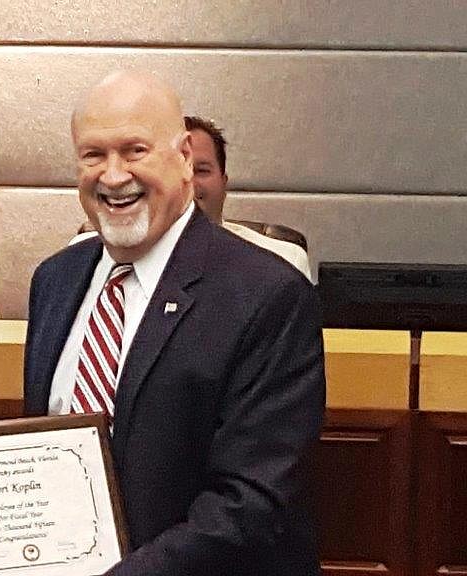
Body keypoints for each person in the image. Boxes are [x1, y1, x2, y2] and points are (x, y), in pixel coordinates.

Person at [24, 70, 325, 575]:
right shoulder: (55, 281)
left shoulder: (267, 295)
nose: (113, 175)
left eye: (135, 151)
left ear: (185, 157)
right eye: (93, 155)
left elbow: (250, 501)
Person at [187, 115, 312, 280]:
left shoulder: (284, 263)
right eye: (174, 171)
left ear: (224, 184)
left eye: (201, 170)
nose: (189, 182)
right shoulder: (143, 264)